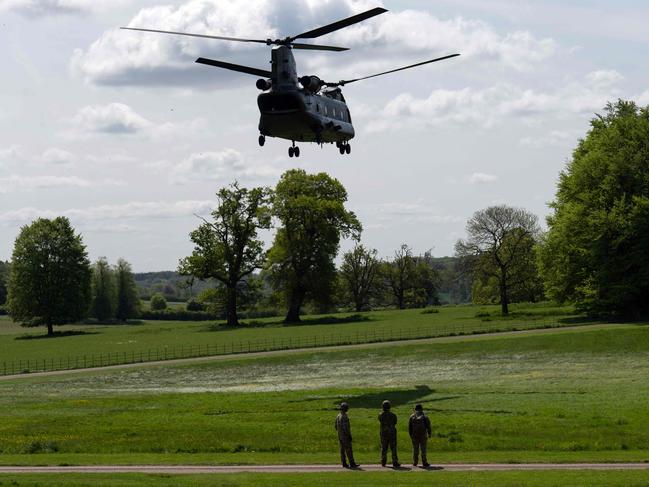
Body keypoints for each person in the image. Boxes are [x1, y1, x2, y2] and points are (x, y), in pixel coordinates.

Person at [335, 402, 359, 468]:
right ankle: (352, 463)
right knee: (349, 450)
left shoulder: (338, 416)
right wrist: (349, 435)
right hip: (345, 436)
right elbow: (346, 428)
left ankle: (344, 463)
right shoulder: (344, 416)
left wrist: (340, 433)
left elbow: (335, 426)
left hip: (340, 435)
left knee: (342, 450)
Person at [378, 400, 400, 467]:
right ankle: (395, 461)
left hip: (384, 433)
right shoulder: (393, 415)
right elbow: (395, 422)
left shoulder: (380, 415)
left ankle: (383, 461)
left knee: (384, 447)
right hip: (392, 433)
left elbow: (380, 420)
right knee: (393, 448)